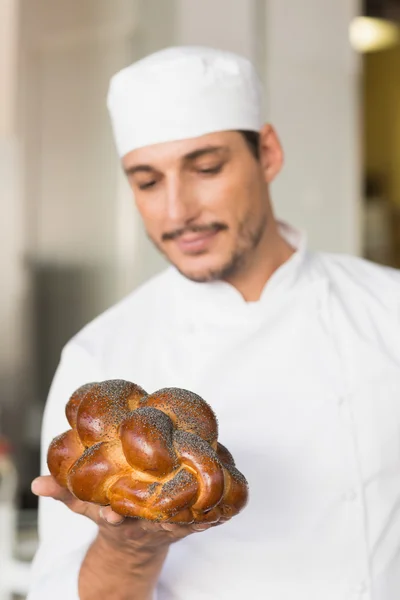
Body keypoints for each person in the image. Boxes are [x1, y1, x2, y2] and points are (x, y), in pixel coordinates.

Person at [27, 46, 400, 600]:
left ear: (267, 153)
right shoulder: (100, 353)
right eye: (148, 182)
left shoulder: (387, 309)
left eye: (206, 168)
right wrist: (130, 550)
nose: (177, 212)